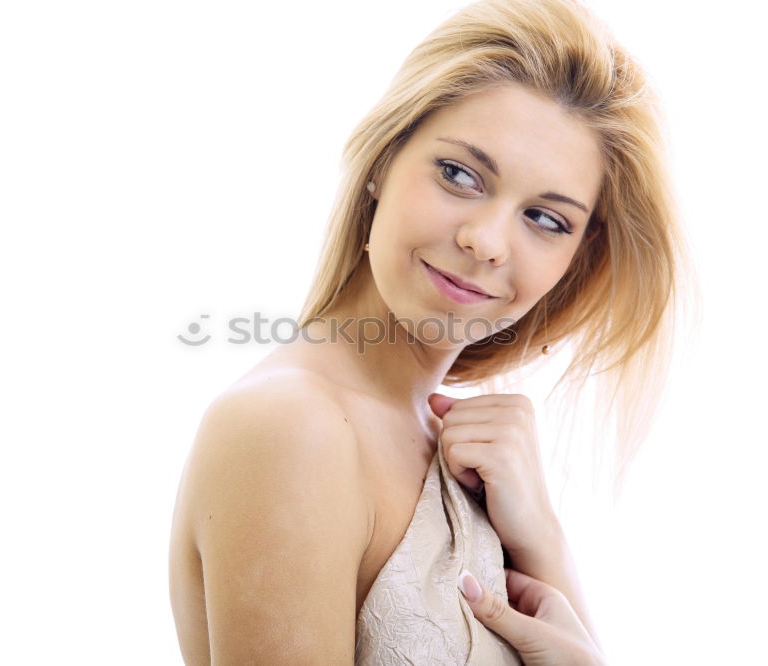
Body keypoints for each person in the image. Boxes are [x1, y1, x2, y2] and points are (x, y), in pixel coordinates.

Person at [169, 0, 694, 663]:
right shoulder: (291, 426)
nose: (485, 241)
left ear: (577, 259)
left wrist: (544, 540)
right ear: (385, 159)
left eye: (546, 219)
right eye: (460, 175)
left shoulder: (475, 461)